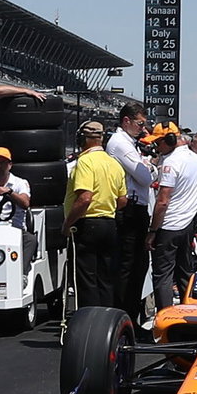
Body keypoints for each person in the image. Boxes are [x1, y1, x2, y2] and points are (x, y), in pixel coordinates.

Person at [64, 120, 128, 309]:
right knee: (106, 278)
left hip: (87, 224)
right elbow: (123, 200)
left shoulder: (85, 162)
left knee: (86, 279)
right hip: (109, 223)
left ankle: (90, 323)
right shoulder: (113, 164)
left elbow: (84, 198)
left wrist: (67, 224)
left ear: (83, 138)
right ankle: (106, 319)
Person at [145, 123, 197, 310]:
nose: (156, 148)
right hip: (188, 224)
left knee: (163, 276)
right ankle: (189, 312)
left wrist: (152, 231)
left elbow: (163, 201)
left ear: (169, 140)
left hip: (168, 225)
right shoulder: (195, 158)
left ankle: (164, 317)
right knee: (185, 273)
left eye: (159, 143)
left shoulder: (171, 162)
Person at [107, 102, 157, 317]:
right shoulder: (120, 143)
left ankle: (131, 314)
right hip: (129, 209)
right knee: (128, 266)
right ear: (126, 121)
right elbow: (145, 176)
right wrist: (151, 168)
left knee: (139, 265)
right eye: (140, 123)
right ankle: (123, 314)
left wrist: (149, 168)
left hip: (138, 208)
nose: (143, 129)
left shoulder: (131, 143)